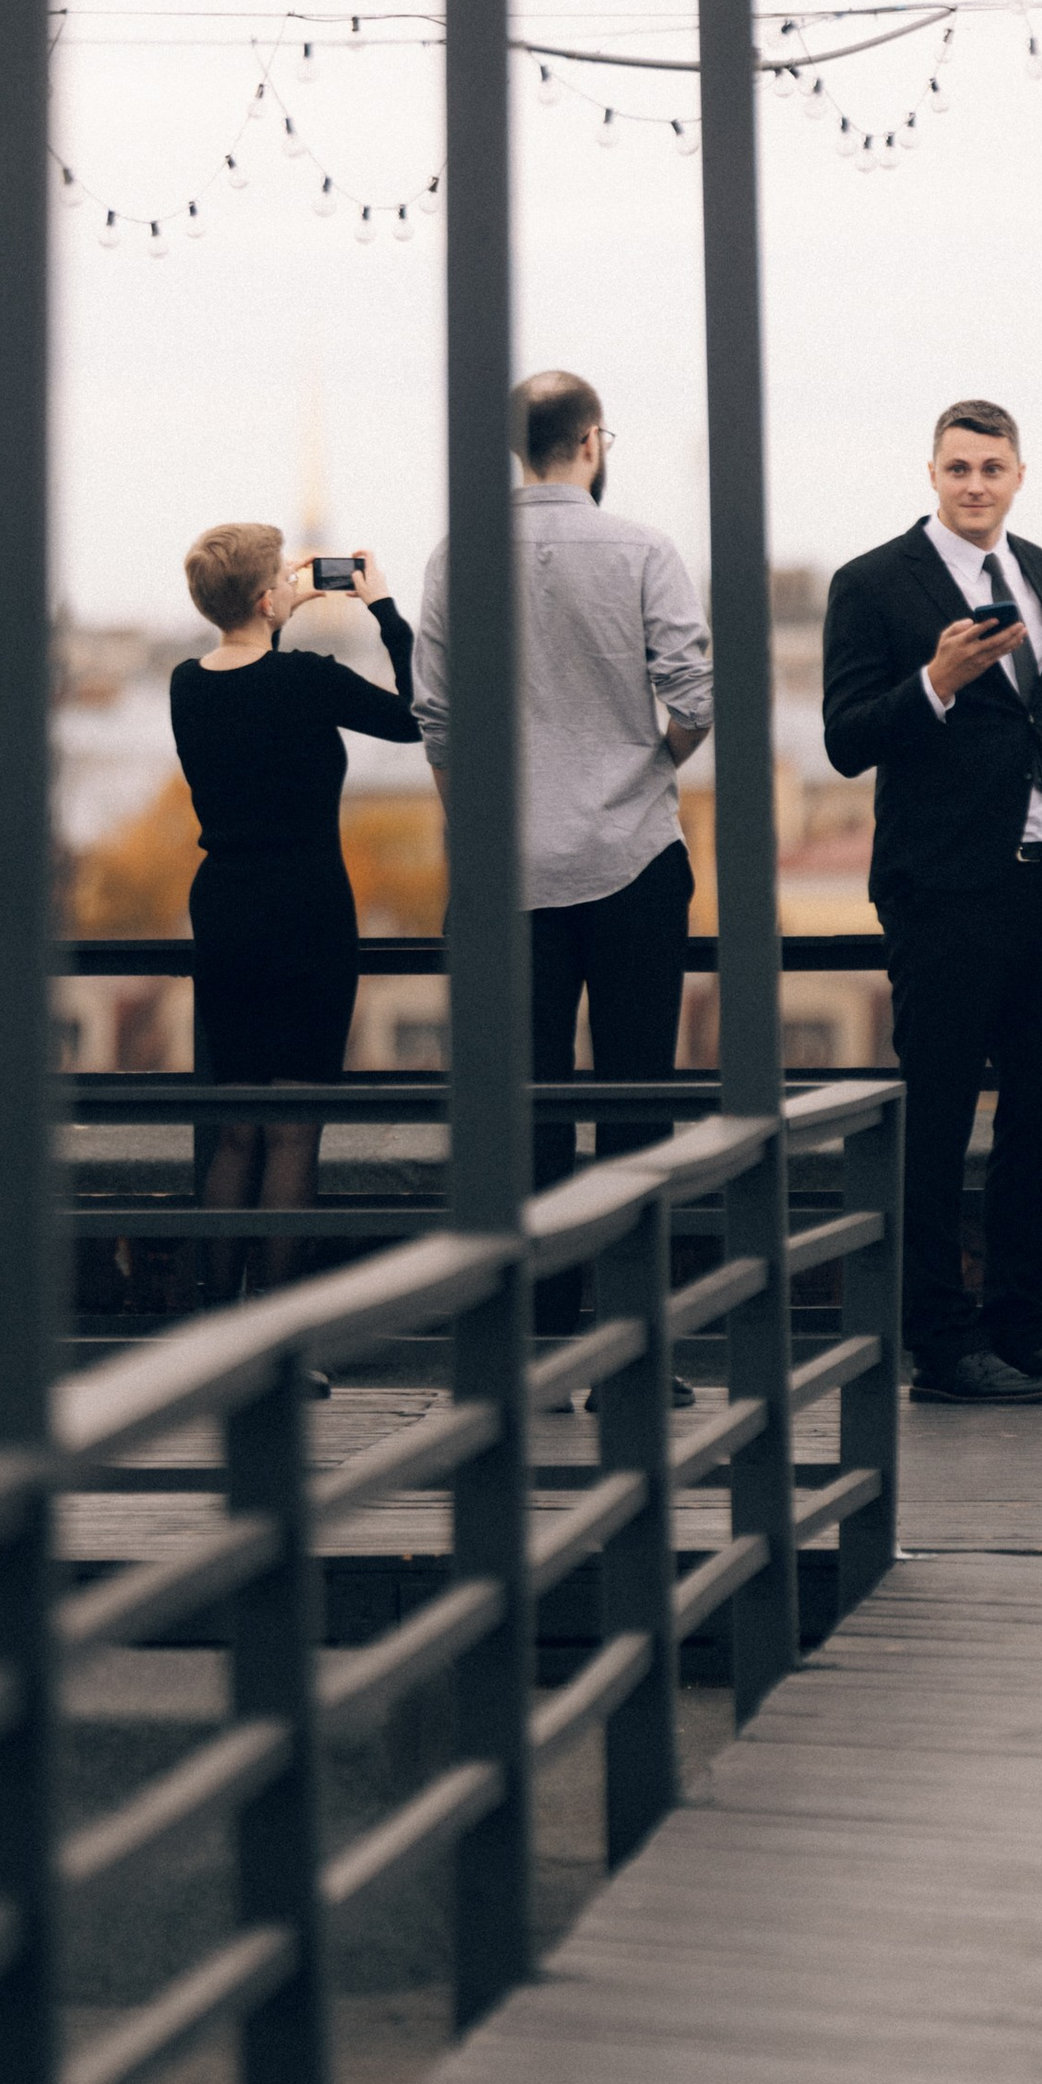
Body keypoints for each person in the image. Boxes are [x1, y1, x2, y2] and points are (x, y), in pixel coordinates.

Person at [821, 396, 1042, 1408]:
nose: (974, 485)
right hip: (944, 895)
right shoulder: (869, 584)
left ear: (1018, 476)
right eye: (957, 468)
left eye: (991, 468)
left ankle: (1025, 1330)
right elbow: (845, 737)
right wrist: (937, 680)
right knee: (937, 1125)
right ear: (931, 474)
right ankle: (941, 1347)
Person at [413, 371, 713, 1375]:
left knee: (522, 1108)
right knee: (637, 1102)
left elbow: (440, 718)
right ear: (592, 440)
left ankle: (535, 1343)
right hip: (630, 860)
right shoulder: (643, 550)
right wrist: (648, 764)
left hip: (508, 874)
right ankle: (632, 1345)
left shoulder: (458, 556)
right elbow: (696, 695)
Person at [168, 523, 421, 1355]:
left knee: (237, 1124)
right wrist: (381, 609)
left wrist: (275, 604)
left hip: (227, 907)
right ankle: (277, 1345)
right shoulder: (309, 681)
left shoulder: (184, 686)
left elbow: (245, 671)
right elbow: (418, 717)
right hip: (308, 907)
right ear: (269, 597)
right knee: (294, 1125)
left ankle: (211, 1333)